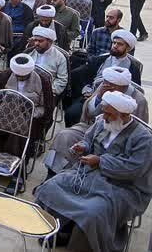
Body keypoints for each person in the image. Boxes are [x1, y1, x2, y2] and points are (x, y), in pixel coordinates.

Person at [36, 90, 152, 251]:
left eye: (109, 114)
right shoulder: (102, 123)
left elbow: (134, 169)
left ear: (123, 115)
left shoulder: (143, 138)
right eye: (104, 112)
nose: (104, 117)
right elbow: (88, 139)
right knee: (51, 187)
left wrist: (100, 161)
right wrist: (82, 146)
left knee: (93, 212)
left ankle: (78, 245)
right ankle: (60, 231)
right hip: (89, 174)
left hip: (123, 187)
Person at [0, 54, 49, 192]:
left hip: (29, 118)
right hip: (3, 115)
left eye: (23, 75)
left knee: (20, 134)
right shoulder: (5, 76)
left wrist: (27, 117)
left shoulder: (42, 81)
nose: (19, 77)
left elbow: (46, 108)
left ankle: (17, 174)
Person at [26, 26, 68, 97]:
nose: (36, 43)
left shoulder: (59, 57)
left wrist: (47, 91)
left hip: (46, 92)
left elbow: (62, 81)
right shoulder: (29, 52)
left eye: (40, 41)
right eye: (35, 40)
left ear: (50, 42)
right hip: (27, 87)